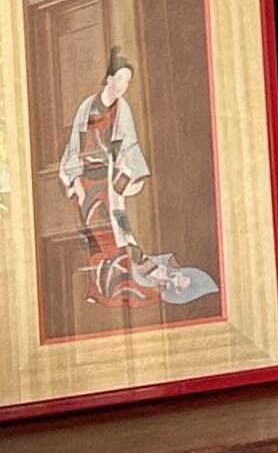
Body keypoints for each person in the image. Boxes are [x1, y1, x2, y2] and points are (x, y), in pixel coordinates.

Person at [57, 48, 220, 314]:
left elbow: (129, 149)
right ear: (109, 78)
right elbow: (74, 145)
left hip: (108, 181)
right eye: (120, 78)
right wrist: (75, 182)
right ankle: (100, 288)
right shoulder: (86, 106)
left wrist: (121, 182)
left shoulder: (122, 109)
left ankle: (116, 286)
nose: (123, 85)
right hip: (86, 181)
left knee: (119, 232)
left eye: (128, 81)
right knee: (94, 235)